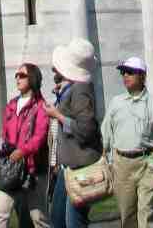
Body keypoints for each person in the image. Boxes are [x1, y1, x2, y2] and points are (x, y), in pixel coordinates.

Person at [102, 55, 153, 228]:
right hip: (122, 164)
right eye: (123, 73)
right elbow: (106, 134)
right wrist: (107, 160)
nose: (125, 76)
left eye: (130, 72)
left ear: (142, 76)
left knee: (146, 210)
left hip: (147, 162)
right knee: (127, 214)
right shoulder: (116, 103)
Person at [44, 38, 102, 228]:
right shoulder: (72, 89)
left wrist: (57, 115)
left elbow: (87, 130)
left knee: (74, 221)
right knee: (58, 220)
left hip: (81, 167)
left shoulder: (80, 91)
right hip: (68, 167)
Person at [0, 62, 51, 228]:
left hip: (33, 170)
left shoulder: (41, 106)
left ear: (32, 78)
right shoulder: (11, 104)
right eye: (16, 75)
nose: (17, 78)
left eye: (22, 75)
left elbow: (39, 137)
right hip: (11, 168)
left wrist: (23, 151)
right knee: (0, 215)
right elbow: (6, 133)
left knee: (38, 217)